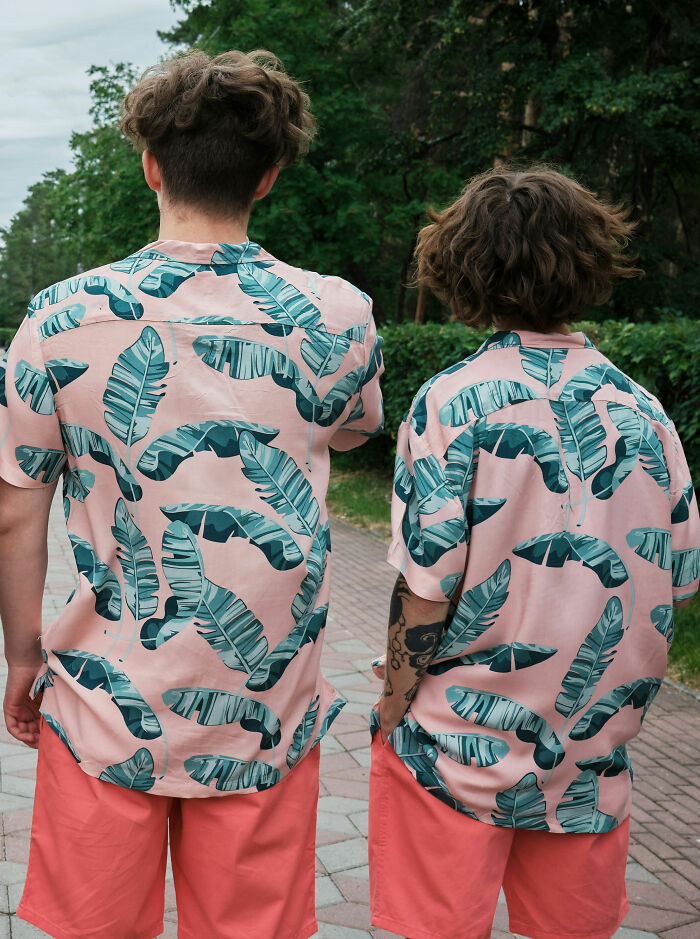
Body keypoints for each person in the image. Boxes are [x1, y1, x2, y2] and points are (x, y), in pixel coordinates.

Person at [0, 49, 383, 939]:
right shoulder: (336, 314)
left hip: (103, 700)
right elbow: (353, 428)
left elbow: (16, 506)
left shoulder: (58, 320)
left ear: (150, 165)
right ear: (271, 175)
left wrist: (23, 659)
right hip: (266, 705)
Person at [369, 167, 700, 939]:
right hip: (590, 751)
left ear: (464, 271)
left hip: (455, 750)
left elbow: (426, 588)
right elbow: (677, 577)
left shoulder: (452, 401)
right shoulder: (644, 411)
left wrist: (390, 704)